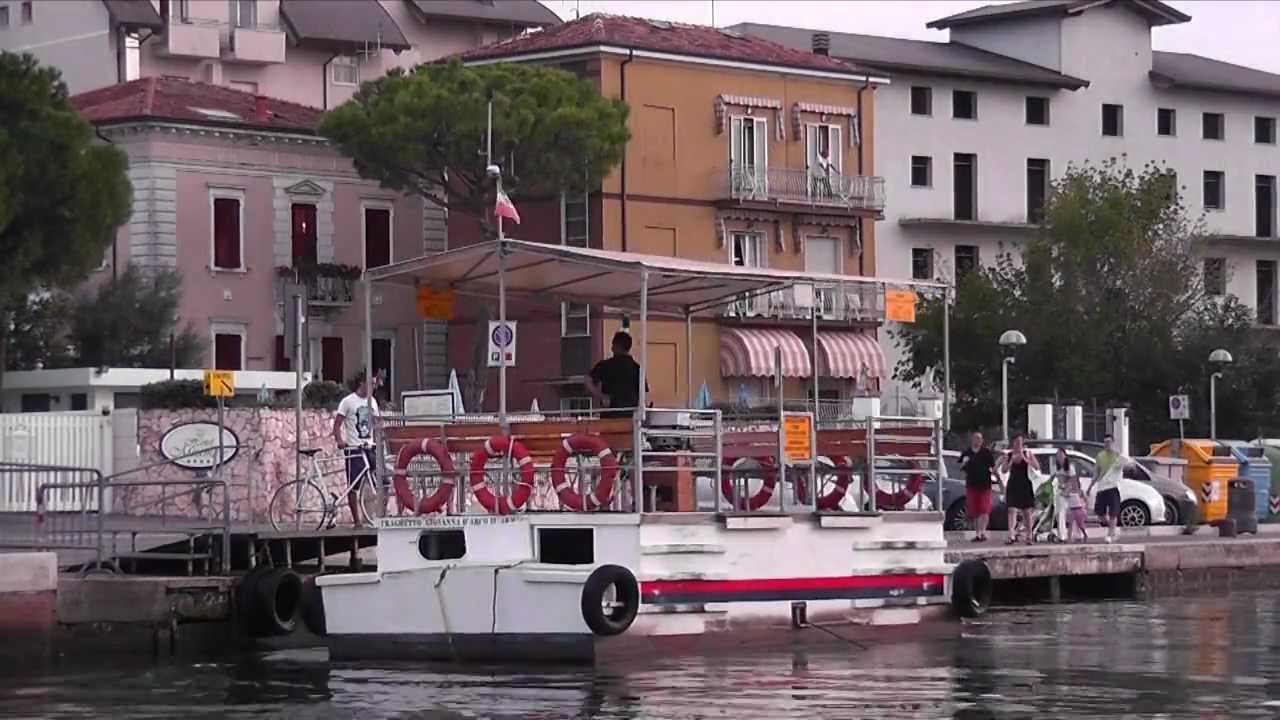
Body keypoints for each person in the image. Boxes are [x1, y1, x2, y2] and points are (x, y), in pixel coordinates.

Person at [333, 375, 380, 528]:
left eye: (374, 384)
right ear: (362, 382)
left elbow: (377, 423)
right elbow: (337, 424)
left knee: (380, 479)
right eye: (370, 384)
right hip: (354, 449)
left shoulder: (372, 401)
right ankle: (357, 521)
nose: (373, 387)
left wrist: (379, 442)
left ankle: (378, 516)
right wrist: (340, 441)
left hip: (369, 447)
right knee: (354, 485)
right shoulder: (348, 402)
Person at [587, 331, 648, 418]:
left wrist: (601, 396)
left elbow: (587, 380)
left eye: (613, 344)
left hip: (610, 416)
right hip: (630, 418)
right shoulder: (637, 368)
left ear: (616, 346)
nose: (611, 348)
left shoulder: (606, 365)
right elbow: (643, 393)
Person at [1090, 434, 1134, 543]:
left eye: (1109, 442)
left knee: (1113, 512)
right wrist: (1090, 486)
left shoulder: (1118, 456)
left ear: (1113, 443)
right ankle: (1114, 530)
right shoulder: (1100, 456)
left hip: (1114, 487)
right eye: (1105, 442)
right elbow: (1096, 472)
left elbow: (1129, 465)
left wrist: (1118, 452)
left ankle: (1110, 535)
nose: (1107, 444)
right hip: (1102, 487)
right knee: (1100, 513)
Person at [999, 434, 1041, 544]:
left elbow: (1037, 466)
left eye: (1020, 442)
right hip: (1013, 484)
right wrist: (1011, 461)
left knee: (1026, 512)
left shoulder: (1028, 453)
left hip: (1025, 484)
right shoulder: (1009, 455)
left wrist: (1025, 459)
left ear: (1023, 444)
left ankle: (1029, 535)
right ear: (1013, 443)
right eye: (1016, 442)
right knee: (1011, 509)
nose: (1018, 444)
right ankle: (1011, 535)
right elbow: (1003, 470)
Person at [958, 432, 997, 543]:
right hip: (971, 484)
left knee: (984, 509)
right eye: (976, 438)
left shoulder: (986, 453)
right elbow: (961, 467)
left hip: (985, 484)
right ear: (972, 440)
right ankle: (977, 533)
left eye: (980, 438)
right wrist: (964, 463)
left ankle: (982, 532)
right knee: (974, 511)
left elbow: (993, 468)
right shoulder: (967, 453)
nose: (978, 440)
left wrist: (998, 481)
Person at [1052, 448, 1087, 543]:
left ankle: (1078, 534)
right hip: (1061, 493)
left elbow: (1072, 482)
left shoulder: (1070, 468)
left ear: (1065, 456)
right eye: (1057, 455)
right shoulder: (1057, 468)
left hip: (1070, 493)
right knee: (1060, 513)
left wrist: (1067, 491)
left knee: (1074, 515)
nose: (1059, 457)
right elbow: (1057, 480)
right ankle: (1062, 535)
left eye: (1061, 455)